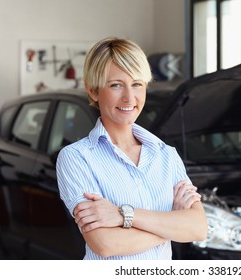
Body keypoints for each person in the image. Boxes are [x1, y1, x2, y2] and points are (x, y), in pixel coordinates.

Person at [56, 37, 208, 260]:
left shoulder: (166, 155)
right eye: (116, 85)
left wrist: (122, 215)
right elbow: (106, 244)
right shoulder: (76, 158)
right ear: (93, 91)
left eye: (137, 84)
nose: (129, 97)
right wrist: (170, 227)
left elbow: (198, 228)